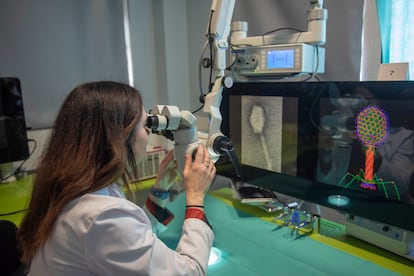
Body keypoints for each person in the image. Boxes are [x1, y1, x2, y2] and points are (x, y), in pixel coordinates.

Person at [17, 81, 216, 275]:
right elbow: (191, 272)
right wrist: (196, 198)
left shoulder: (72, 188)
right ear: (118, 137)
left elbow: (131, 235)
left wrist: (161, 188)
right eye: (144, 123)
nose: (148, 131)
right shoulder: (102, 216)